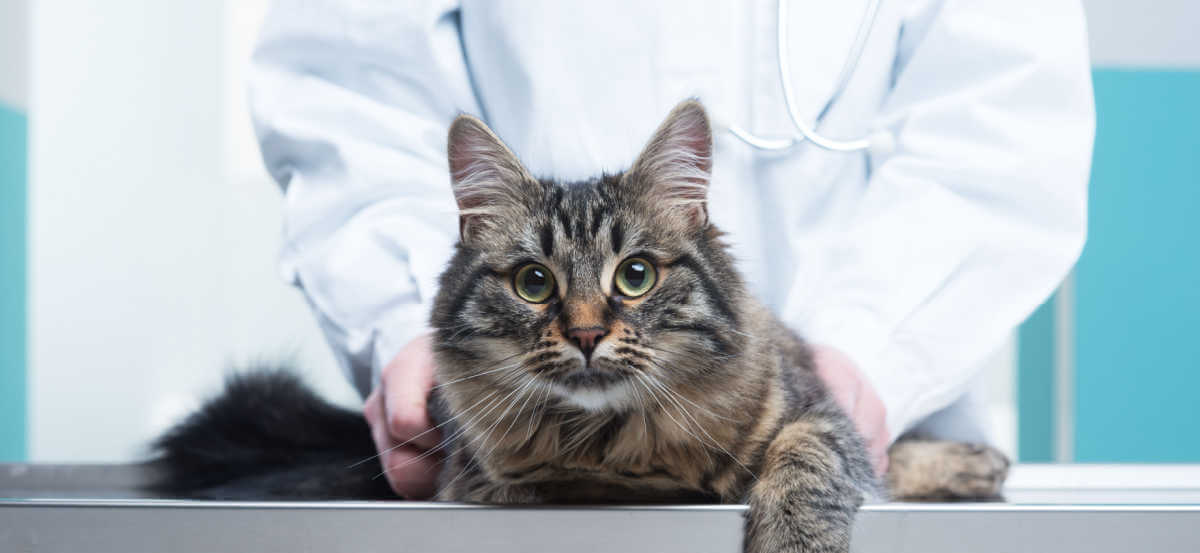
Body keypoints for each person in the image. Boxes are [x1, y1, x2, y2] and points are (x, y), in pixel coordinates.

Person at [248, 0, 1094, 498]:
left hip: (872, 408)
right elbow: (347, 82)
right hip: (518, 435)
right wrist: (401, 315)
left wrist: (874, 353)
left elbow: (1006, 122)